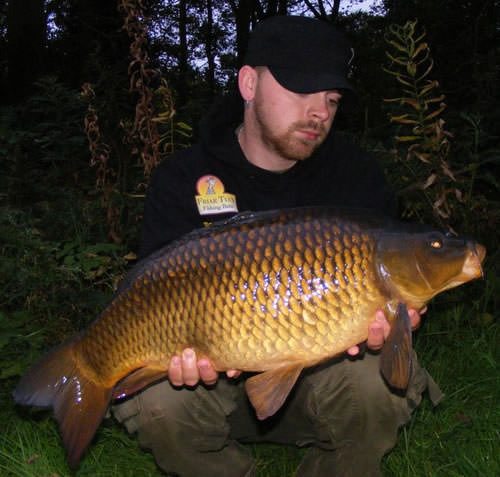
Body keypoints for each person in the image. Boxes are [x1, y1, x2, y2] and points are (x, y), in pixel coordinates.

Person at [111, 15, 442, 477]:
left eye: (331, 99)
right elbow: (152, 293)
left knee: (379, 387)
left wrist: (394, 324)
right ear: (248, 83)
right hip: (209, 389)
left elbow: (391, 292)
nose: (320, 112)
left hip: (316, 383)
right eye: (302, 90)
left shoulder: (356, 178)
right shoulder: (182, 177)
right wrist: (174, 356)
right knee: (157, 402)